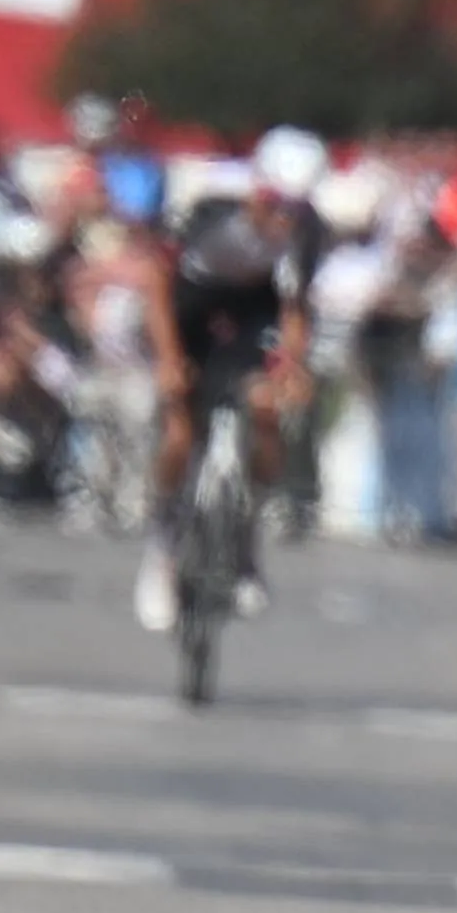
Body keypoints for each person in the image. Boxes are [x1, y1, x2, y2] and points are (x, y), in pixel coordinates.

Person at [135, 127, 325, 633]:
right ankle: (161, 547)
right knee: (180, 433)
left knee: (267, 409)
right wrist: (169, 359)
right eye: (274, 205)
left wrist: (291, 368)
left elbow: (294, 309)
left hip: (250, 310)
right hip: (189, 305)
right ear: (255, 189)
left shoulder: (307, 230)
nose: (283, 221)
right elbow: (156, 283)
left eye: (294, 209)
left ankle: (246, 537)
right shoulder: (206, 205)